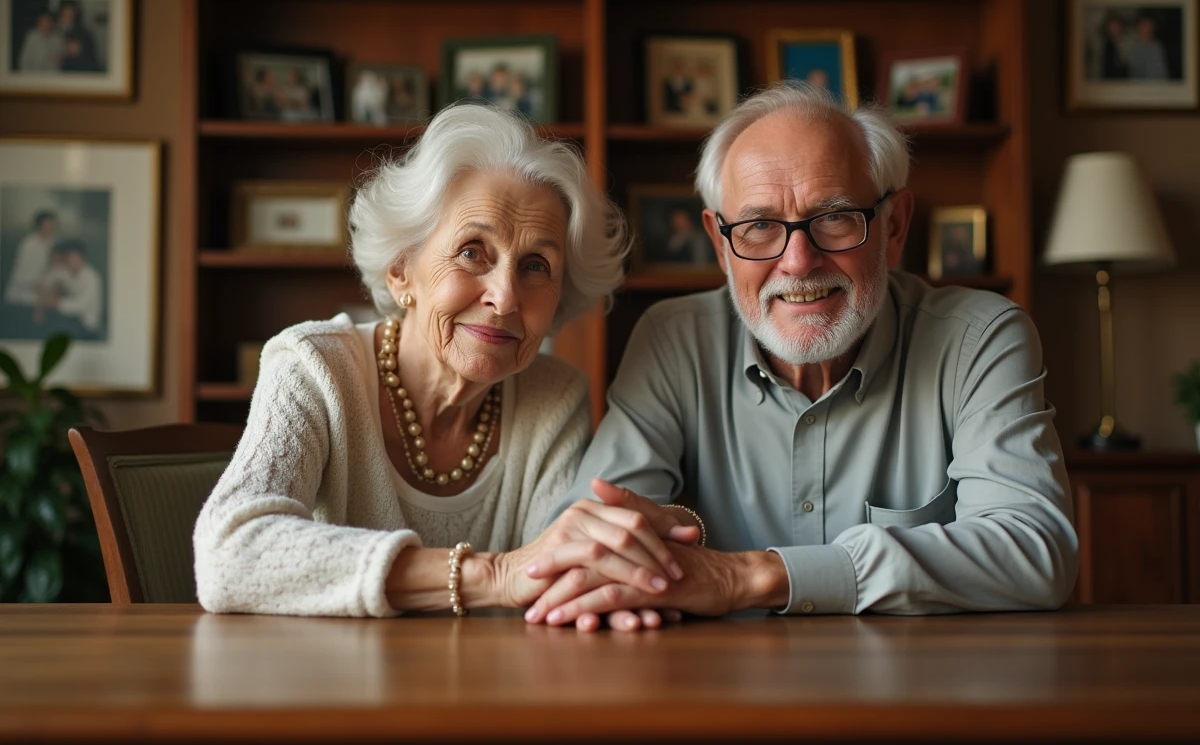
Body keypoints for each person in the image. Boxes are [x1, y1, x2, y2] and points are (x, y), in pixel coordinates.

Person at [529, 80, 1077, 631]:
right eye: (759, 226)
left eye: (834, 218)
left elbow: (1034, 548)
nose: (797, 262)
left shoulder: (980, 339)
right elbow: (587, 547)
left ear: (893, 226)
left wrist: (752, 577)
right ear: (720, 244)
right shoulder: (672, 341)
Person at [193, 104, 703, 622]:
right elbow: (229, 554)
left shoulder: (555, 396)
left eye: (536, 266)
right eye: (472, 252)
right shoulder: (313, 367)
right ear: (401, 271)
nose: (505, 297)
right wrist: (491, 576)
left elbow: (556, 580)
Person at [39, 240, 104, 335]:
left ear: (82, 257)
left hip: (87, 326)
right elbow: (46, 281)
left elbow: (81, 305)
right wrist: (50, 292)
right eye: (69, 257)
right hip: (68, 320)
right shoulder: (64, 270)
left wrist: (55, 303)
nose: (72, 261)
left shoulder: (92, 278)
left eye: (75, 257)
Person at [4, 210, 57, 306]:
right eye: (47, 225)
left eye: (51, 224)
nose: (50, 228)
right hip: (21, 295)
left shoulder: (52, 244)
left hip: (42, 292)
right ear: (39, 226)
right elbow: (23, 275)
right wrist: (41, 288)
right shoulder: (29, 245)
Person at [57, 0, 99, 73]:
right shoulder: (54, 29)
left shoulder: (83, 32)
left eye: (71, 14)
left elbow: (88, 54)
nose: (68, 17)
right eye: (65, 14)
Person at [1129, 14, 1170, 80]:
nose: (1147, 29)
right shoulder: (1132, 45)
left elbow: (1162, 71)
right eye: (1144, 25)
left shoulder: (1157, 46)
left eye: (1149, 26)